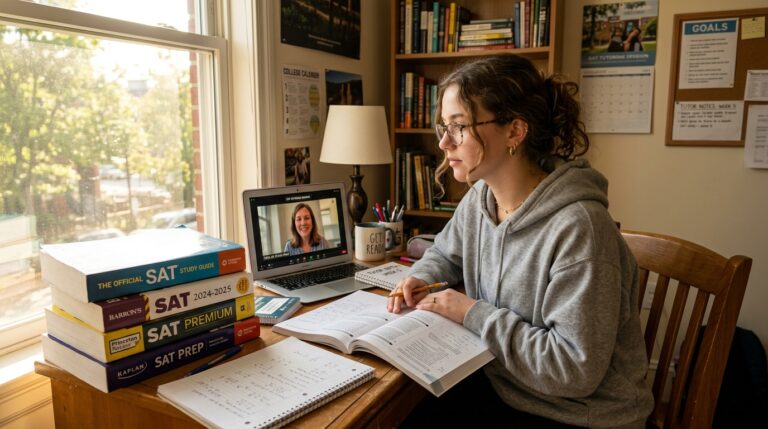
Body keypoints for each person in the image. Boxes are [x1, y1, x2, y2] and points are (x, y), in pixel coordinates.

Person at [387, 55, 653, 428]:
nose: (445, 143)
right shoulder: (481, 199)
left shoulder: (580, 229)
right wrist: (421, 276)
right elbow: (445, 254)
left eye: (460, 127)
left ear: (515, 131)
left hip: (577, 414)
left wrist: (471, 312)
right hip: (506, 385)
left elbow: (573, 370)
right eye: (443, 127)